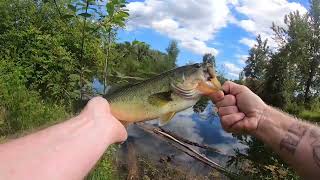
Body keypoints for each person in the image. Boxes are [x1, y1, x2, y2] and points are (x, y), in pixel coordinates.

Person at [0, 81, 319, 179]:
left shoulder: (181, 95)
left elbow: (165, 107)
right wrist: (261, 115)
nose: (203, 77)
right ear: (178, 80)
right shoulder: (173, 93)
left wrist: (262, 116)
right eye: (196, 73)